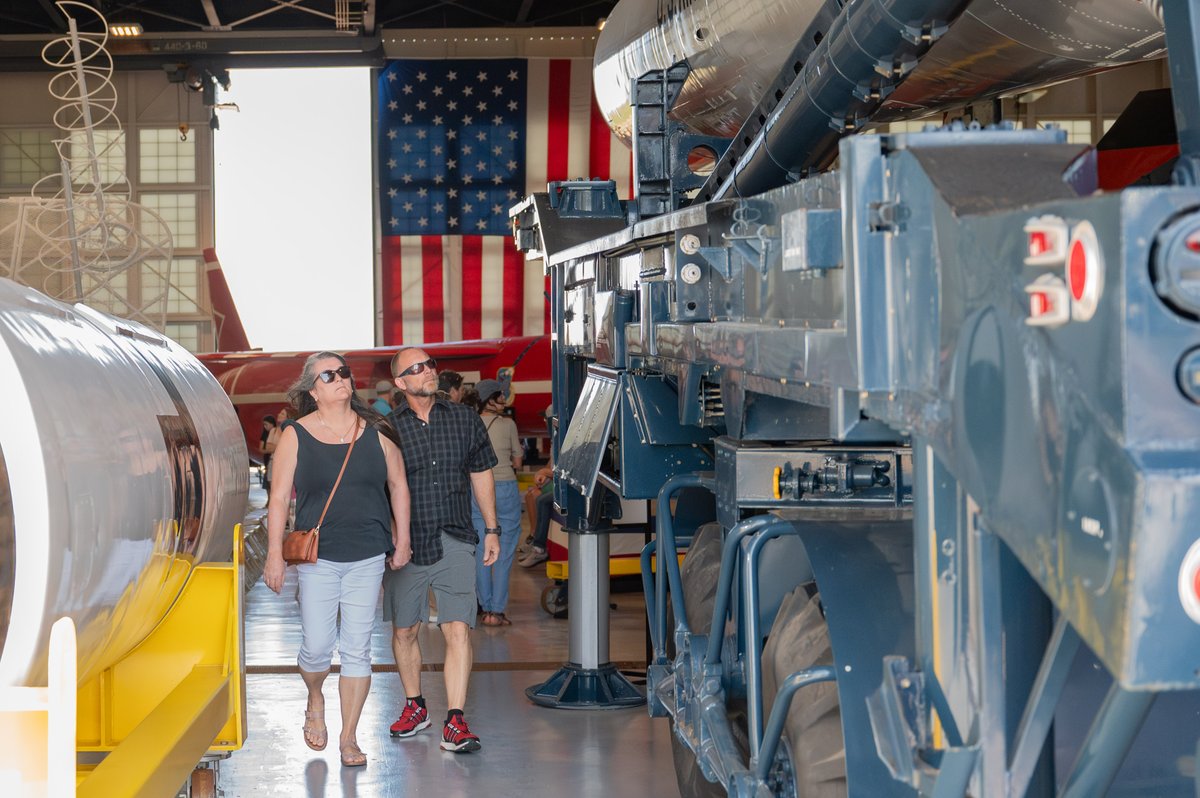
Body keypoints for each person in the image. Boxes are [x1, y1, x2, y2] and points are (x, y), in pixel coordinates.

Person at [262, 352, 412, 769]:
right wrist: (275, 554)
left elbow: (398, 484)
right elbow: (277, 499)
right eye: (329, 375)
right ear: (313, 390)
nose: (340, 379)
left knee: (358, 650)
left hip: (367, 554)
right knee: (315, 650)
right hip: (318, 558)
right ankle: (315, 695)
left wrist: (403, 540)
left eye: (343, 372)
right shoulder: (296, 435)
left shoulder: (376, 431)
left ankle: (349, 737)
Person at [384, 348, 499, 753]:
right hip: (406, 542)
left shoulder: (464, 419)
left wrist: (491, 528)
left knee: (457, 627)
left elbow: (482, 471)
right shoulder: (386, 428)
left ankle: (455, 719)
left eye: (429, 364)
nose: (427, 371)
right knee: (405, 630)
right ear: (400, 383)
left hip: (455, 536)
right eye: (415, 369)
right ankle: (415, 706)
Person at [470, 379, 523, 626]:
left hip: (477, 489)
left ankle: (485, 609)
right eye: (500, 396)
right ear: (490, 399)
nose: (504, 400)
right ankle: (497, 611)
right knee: (505, 550)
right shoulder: (509, 424)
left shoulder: (470, 422)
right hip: (506, 488)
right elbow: (518, 461)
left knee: (482, 549)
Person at [517, 463, 554, 568]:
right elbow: (550, 466)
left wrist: (543, 472)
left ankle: (539, 547)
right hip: (556, 481)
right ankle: (533, 536)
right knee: (530, 496)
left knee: (539, 499)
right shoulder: (556, 447)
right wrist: (542, 473)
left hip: (564, 484)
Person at [260, 414, 277, 493]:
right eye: (264, 424)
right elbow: (262, 448)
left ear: (272, 424)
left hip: (274, 458)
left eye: (266, 424)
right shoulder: (265, 434)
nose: (264, 426)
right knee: (268, 480)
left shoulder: (276, 431)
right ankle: (269, 498)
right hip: (268, 459)